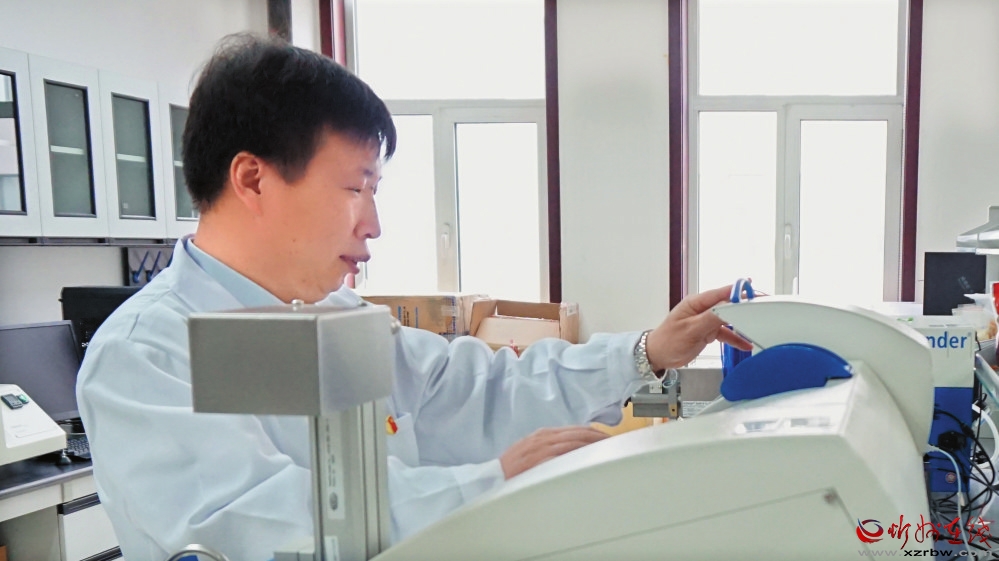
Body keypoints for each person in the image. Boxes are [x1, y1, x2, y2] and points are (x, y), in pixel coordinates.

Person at [76, 34, 751, 561]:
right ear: (253, 179)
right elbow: (253, 523)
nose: (373, 224)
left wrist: (644, 352)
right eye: (355, 187)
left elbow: (476, 388)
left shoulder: (337, 318)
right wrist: (488, 481)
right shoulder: (145, 356)